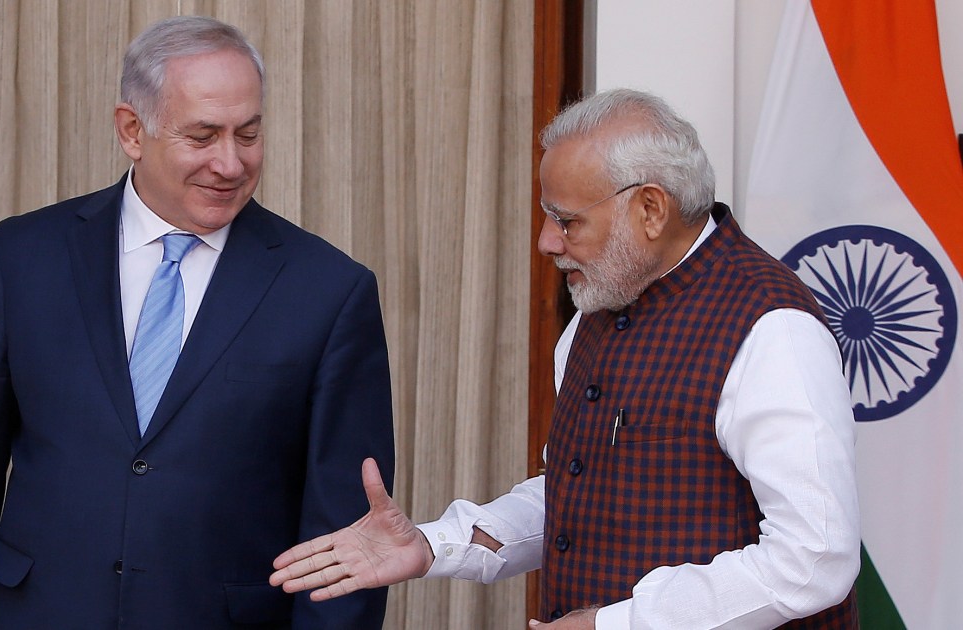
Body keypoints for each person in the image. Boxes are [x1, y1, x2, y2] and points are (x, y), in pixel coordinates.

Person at [270, 89, 860, 629]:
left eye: (567, 221)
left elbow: (814, 560)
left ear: (650, 209)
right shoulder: (593, 312)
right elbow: (579, 491)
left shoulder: (773, 329)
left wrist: (615, 626)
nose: (547, 242)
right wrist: (433, 545)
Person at [0, 15, 394, 629]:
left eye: (248, 134)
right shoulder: (22, 260)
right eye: (203, 136)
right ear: (132, 130)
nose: (230, 163)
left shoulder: (329, 291)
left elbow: (346, 542)